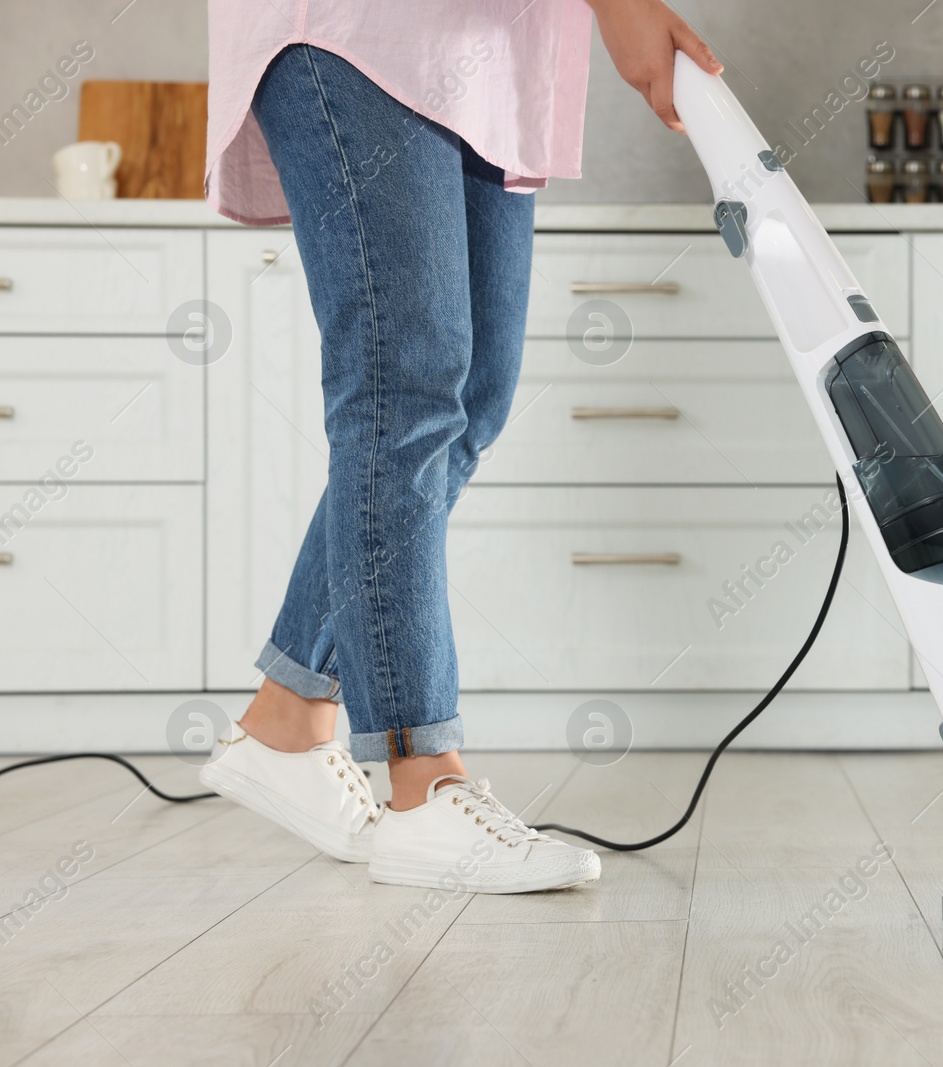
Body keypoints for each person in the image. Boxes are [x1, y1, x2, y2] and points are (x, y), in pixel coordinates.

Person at [196, 0, 722, 894]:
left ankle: (287, 717)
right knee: (402, 382)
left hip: (485, 50)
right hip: (356, 30)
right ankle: (423, 781)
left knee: (469, 397)